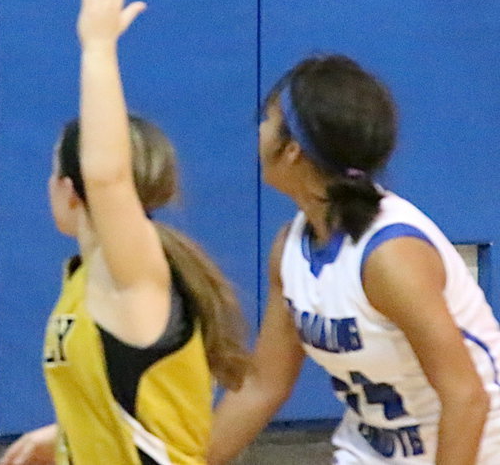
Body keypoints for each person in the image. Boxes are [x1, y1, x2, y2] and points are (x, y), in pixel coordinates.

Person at [0, 0, 249, 465]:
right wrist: (67, 435)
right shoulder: (89, 278)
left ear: (70, 188)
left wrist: (97, 47)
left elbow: (108, 177)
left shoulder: (132, 270)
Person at [209, 54, 500, 464]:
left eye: (267, 120)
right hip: (370, 450)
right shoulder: (290, 247)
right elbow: (263, 387)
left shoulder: (390, 257)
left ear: (292, 150)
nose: (258, 132)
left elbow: (467, 398)